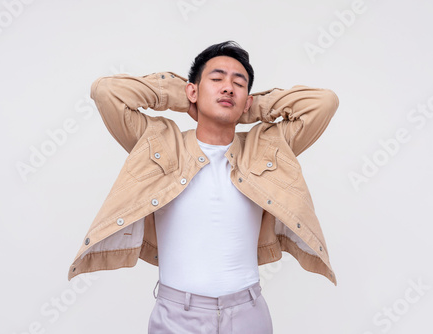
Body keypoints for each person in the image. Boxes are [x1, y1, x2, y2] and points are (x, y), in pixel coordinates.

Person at [68, 41, 339, 333]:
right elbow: (106, 91)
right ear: (193, 90)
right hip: (176, 317)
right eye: (217, 79)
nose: (228, 88)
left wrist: (247, 107)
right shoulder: (157, 144)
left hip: (248, 314)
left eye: (239, 83)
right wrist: (188, 98)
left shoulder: (266, 149)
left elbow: (324, 103)